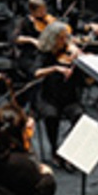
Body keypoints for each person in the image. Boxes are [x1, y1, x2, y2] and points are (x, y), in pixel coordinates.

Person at [33, 20, 85, 163]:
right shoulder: (44, 54)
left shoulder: (70, 53)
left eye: (66, 37)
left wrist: (81, 58)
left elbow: (85, 80)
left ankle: (69, 150)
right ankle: (54, 149)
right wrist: (55, 68)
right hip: (49, 98)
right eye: (61, 38)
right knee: (51, 116)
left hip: (70, 98)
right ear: (53, 39)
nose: (65, 41)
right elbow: (36, 72)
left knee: (79, 116)